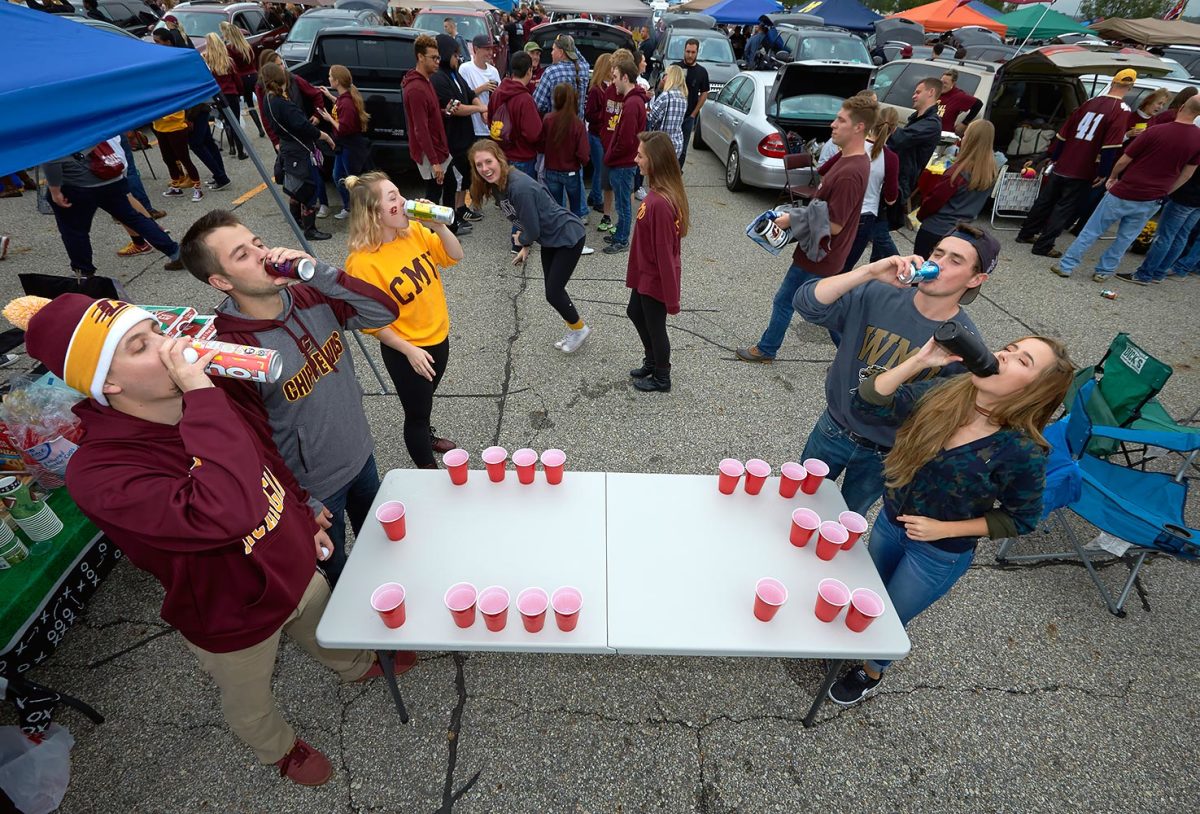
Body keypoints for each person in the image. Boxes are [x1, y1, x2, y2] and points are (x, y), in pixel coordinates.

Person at [20, 294, 415, 786]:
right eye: (143, 345)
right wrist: (203, 396)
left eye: (160, 331)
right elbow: (224, 511)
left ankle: (353, 664)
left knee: (320, 621)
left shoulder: (207, 402)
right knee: (249, 699)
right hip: (230, 608)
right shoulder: (99, 471)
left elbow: (266, 457)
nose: (171, 349)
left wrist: (301, 511)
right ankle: (278, 747)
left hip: (291, 561)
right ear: (107, 382)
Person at [829, 331, 1073, 706]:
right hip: (891, 522)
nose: (1005, 357)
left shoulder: (1022, 450)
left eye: (1023, 361)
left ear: (1036, 390)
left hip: (939, 552)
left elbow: (1021, 519)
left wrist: (946, 529)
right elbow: (870, 402)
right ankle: (844, 642)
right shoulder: (947, 391)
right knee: (867, 592)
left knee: (890, 615)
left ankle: (871, 670)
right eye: (1008, 349)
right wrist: (919, 361)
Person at [179, 210, 398, 584]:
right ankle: (361, 641)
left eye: (258, 243)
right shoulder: (233, 351)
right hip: (315, 493)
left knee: (385, 549)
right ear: (220, 280)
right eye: (242, 255)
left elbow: (383, 310)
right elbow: (253, 444)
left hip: (360, 455)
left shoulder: (310, 294)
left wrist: (320, 271)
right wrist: (299, 502)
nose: (262, 254)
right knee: (337, 575)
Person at [791, 224, 995, 515]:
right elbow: (807, 304)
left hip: (885, 452)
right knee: (797, 504)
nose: (938, 263)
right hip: (833, 428)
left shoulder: (961, 341)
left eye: (955, 260)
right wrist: (869, 272)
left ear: (976, 278)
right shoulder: (877, 293)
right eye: (938, 253)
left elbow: (945, 412)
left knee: (846, 518)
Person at [736, 95, 877, 362]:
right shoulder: (848, 159)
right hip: (822, 252)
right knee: (824, 308)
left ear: (859, 127)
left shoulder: (851, 171)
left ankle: (768, 349)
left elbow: (835, 224)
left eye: (841, 120)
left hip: (820, 255)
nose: (833, 124)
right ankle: (853, 356)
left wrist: (792, 219)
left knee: (792, 303)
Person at [344, 172, 464, 469]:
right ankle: (429, 475)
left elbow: (455, 255)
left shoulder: (413, 232)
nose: (404, 201)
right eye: (393, 197)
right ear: (375, 213)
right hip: (407, 351)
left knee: (425, 402)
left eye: (399, 193)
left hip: (438, 337)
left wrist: (437, 226)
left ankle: (426, 432)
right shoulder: (361, 263)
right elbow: (371, 322)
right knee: (416, 416)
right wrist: (408, 350)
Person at [1055, 96, 1200, 283]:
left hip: (1126, 189)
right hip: (1153, 197)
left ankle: (1066, 266)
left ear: (1181, 107)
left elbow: (1125, 159)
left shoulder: (1155, 131)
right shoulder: (1197, 140)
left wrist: (1113, 177)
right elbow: (1187, 174)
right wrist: (1166, 191)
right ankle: (1104, 271)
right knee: (1125, 238)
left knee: (1092, 230)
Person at [469, 139, 592, 353]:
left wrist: (523, 241)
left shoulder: (518, 187)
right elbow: (523, 219)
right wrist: (525, 245)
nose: (484, 169)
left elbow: (532, 230)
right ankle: (576, 329)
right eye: (479, 165)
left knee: (553, 293)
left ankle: (580, 330)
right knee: (553, 291)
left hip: (567, 237)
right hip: (551, 238)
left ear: (500, 159)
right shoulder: (499, 185)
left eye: (488, 162)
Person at [1017, 71, 1134, 259]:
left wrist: (1054, 156)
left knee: (1046, 200)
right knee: (1064, 207)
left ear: (1113, 81)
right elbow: (1111, 145)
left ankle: (1026, 233)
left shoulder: (1089, 103)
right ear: (1130, 87)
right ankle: (1044, 245)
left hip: (1064, 160)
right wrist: (1104, 171)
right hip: (1083, 167)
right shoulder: (1122, 109)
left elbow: (1063, 133)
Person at [43, 139, 184, 274]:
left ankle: (84, 272)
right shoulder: (86, 118)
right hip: (110, 175)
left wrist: (55, 191)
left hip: (78, 184)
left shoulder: (53, 126)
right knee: (134, 218)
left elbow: (52, 159)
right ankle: (175, 252)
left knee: (74, 231)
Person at [626, 132, 687, 394]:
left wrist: (670, 296)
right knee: (634, 312)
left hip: (655, 277)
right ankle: (651, 360)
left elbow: (665, 253)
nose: (636, 159)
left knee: (655, 325)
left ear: (655, 161)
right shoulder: (657, 193)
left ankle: (662, 376)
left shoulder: (660, 203)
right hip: (645, 272)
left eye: (640, 156)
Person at [261, 61, 336, 241]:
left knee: (295, 187)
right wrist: (324, 136)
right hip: (300, 149)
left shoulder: (267, 100)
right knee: (307, 188)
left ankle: (295, 219)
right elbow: (302, 125)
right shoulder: (283, 104)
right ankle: (310, 229)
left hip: (288, 148)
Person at [827, 105, 900, 272]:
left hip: (840, 210)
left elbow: (825, 169)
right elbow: (891, 198)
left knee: (826, 260)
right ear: (894, 130)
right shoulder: (891, 158)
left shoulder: (855, 146)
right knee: (844, 268)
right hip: (865, 216)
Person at [912, 120, 998, 258]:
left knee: (922, 272)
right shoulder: (991, 173)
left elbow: (934, 201)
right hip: (962, 232)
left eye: (965, 135)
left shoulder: (957, 172)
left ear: (970, 139)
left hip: (936, 229)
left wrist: (921, 214)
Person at [429, 34, 486, 236]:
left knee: (465, 177)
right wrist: (479, 110)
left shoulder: (454, 74)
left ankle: (460, 211)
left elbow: (470, 93)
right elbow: (455, 108)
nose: (458, 59)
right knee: (453, 181)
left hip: (465, 137)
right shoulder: (438, 78)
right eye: (455, 55)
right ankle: (450, 219)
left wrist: (482, 107)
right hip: (451, 139)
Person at [601, 56, 648, 255]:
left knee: (623, 204)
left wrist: (611, 156)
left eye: (616, 77)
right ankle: (619, 233)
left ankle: (622, 240)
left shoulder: (631, 104)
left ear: (625, 78)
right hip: (622, 162)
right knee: (622, 202)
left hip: (623, 163)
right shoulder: (632, 101)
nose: (613, 82)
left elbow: (627, 139)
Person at [402, 34, 453, 213]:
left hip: (438, 147)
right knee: (432, 196)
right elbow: (420, 129)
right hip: (430, 152)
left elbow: (428, 115)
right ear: (420, 57)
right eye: (433, 58)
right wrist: (434, 162)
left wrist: (443, 112)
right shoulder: (416, 89)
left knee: (449, 184)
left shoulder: (426, 81)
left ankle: (449, 226)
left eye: (438, 57)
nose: (438, 62)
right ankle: (427, 233)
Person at [318, 65, 372, 221]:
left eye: (330, 76)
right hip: (344, 146)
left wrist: (329, 118)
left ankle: (360, 209)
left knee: (351, 180)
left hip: (349, 146)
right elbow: (340, 105)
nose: (328, 78)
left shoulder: (347, 103)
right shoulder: (344, 98)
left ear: (337, 81)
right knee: (338, 176)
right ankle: (349, 207)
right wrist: (329, 96)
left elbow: (343, 128)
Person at [543, 82, 593, 228]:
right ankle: (576, 238)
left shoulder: (548, 119)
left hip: (551, 169)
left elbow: (541, 143)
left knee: (556, 208)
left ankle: (558, 236)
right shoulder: (577, 124)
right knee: (576, 209)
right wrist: (582, 162)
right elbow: (584, 153)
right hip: (571, 171)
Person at [888, 77, 942, 206]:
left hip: (902, 182)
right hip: (894, 176)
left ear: (931, 92)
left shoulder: (931, 124)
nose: (913, 96)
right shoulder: (917, 119)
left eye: (918, 92)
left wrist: (885, 124)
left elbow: (901, 139)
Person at [202, 33, 249, 161]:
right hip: (231, 94)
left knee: (226, 121)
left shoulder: (207, 63)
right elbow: (237, 80)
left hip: (218, 95)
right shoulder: (228, 61)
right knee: (236, 123)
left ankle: (232, 147)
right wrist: (240, 92)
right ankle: (240, 151)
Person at [222, 21, 267, 139]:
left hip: (242, 78)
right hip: (253, 74)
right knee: (263, 101)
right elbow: (254, 60)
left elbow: (232, 66)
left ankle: (260, 128)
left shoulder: (229, 48)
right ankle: (268, 124)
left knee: (250, 104)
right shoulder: (247, 45)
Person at [585, 52, 614, 225]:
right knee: (600, 168)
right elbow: (589, 114)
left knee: (600, 168)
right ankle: (596, 198)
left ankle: (593, 196)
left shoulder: (607, 87)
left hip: (602, 135)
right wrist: (603, 117)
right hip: (596, 135)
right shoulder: (596, 90)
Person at [533, 34, 590, 117]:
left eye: (553, 49)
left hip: (556, 127)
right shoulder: (584, 68)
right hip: (578, 127)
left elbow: (538, 104)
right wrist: (570, 43)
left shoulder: (550, 72)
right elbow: (580, 59)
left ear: (561, 52)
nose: (551, 53)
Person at [675, 38, 710, 169]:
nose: (690, 55)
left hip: (688, 117)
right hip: (673, 115)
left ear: (697, 52)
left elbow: (704, 93)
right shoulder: (675, 67)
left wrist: (694, 114)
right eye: (688, 51)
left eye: (693, 52)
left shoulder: (702, 72)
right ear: (684, 51)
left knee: (683, 149)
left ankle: (677, 173)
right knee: (668, 147)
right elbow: (663, 86)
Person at [647, 64, 687, 162]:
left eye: (665, 75)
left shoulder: (666, 96)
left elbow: (651, 118)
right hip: (677, 144)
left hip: (662, 144)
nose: (663, 77)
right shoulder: (683, 98)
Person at [937, 69, 982, 135]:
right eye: (941, 82)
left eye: (945, 83)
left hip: (943, 135)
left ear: (953, 84)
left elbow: (978, 104)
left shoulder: (958, 96)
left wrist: (964, 123)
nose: (942, 85)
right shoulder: (936, 92)